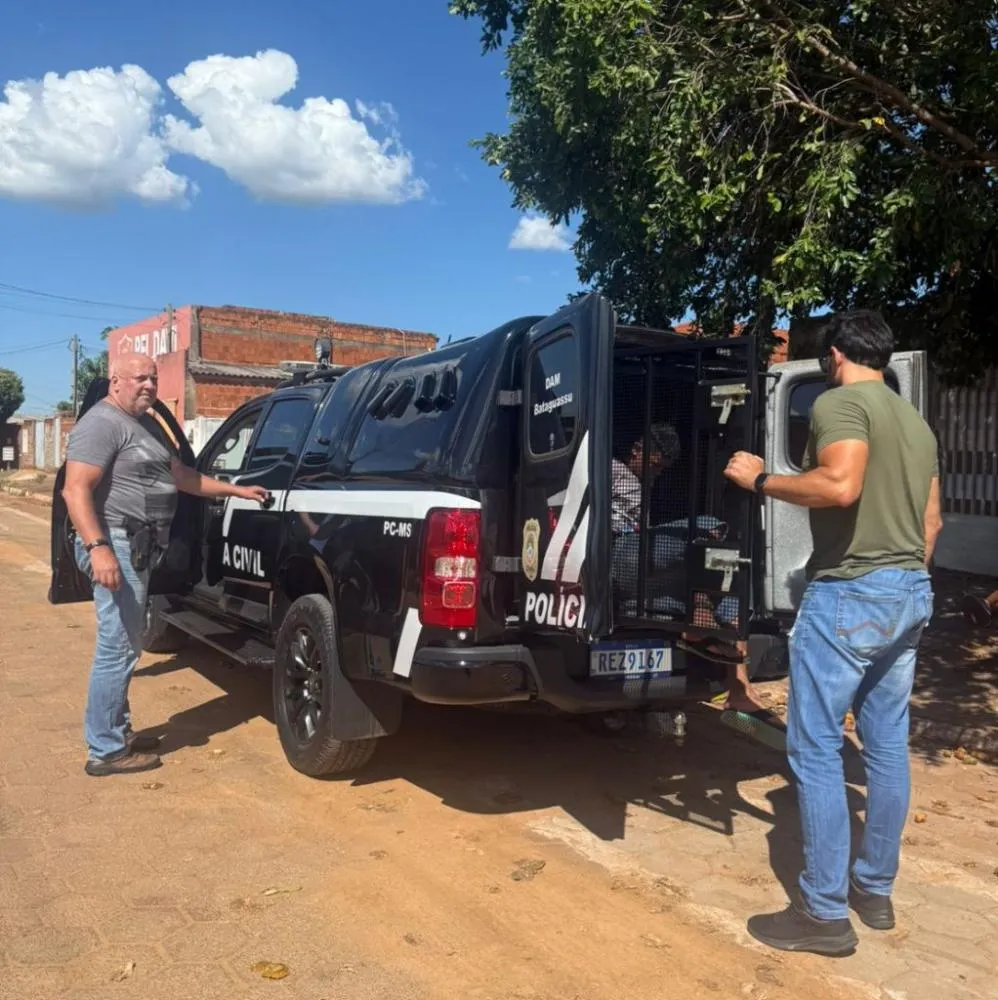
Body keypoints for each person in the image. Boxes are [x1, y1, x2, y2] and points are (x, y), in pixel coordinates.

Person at [725, 310, 941, 956]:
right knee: (885, 747)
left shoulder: (840, 403)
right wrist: (903, 584)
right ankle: (873, 890)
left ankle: (823, 913)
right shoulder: (916, 422)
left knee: (815, 749)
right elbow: (932, 521)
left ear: (836, 355)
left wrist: (759, 479)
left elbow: (839, 485)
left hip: (850, 592)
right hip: (909, 590)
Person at [62, 353, 270, 777]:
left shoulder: (145, 424)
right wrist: (98, 547)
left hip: (136, 545)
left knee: (127, 644)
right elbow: (75, 491)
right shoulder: (101, 423)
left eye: (154, 379)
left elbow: (180, 476)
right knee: (117, 647)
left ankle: (116, 732)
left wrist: (235, 490)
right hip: (114, 540)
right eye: (140, 378)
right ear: (115, 381)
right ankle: (105, 749)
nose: (149, 386)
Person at [610, 422, 769, 717]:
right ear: (637, 450)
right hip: (616, 553)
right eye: (654, 466)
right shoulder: (607, 470)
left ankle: (737, 687)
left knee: (733, 582)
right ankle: (702, 611)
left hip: (639, 576)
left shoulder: (645, 484)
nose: (656, 474)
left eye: (662, 469)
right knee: (707, 528)